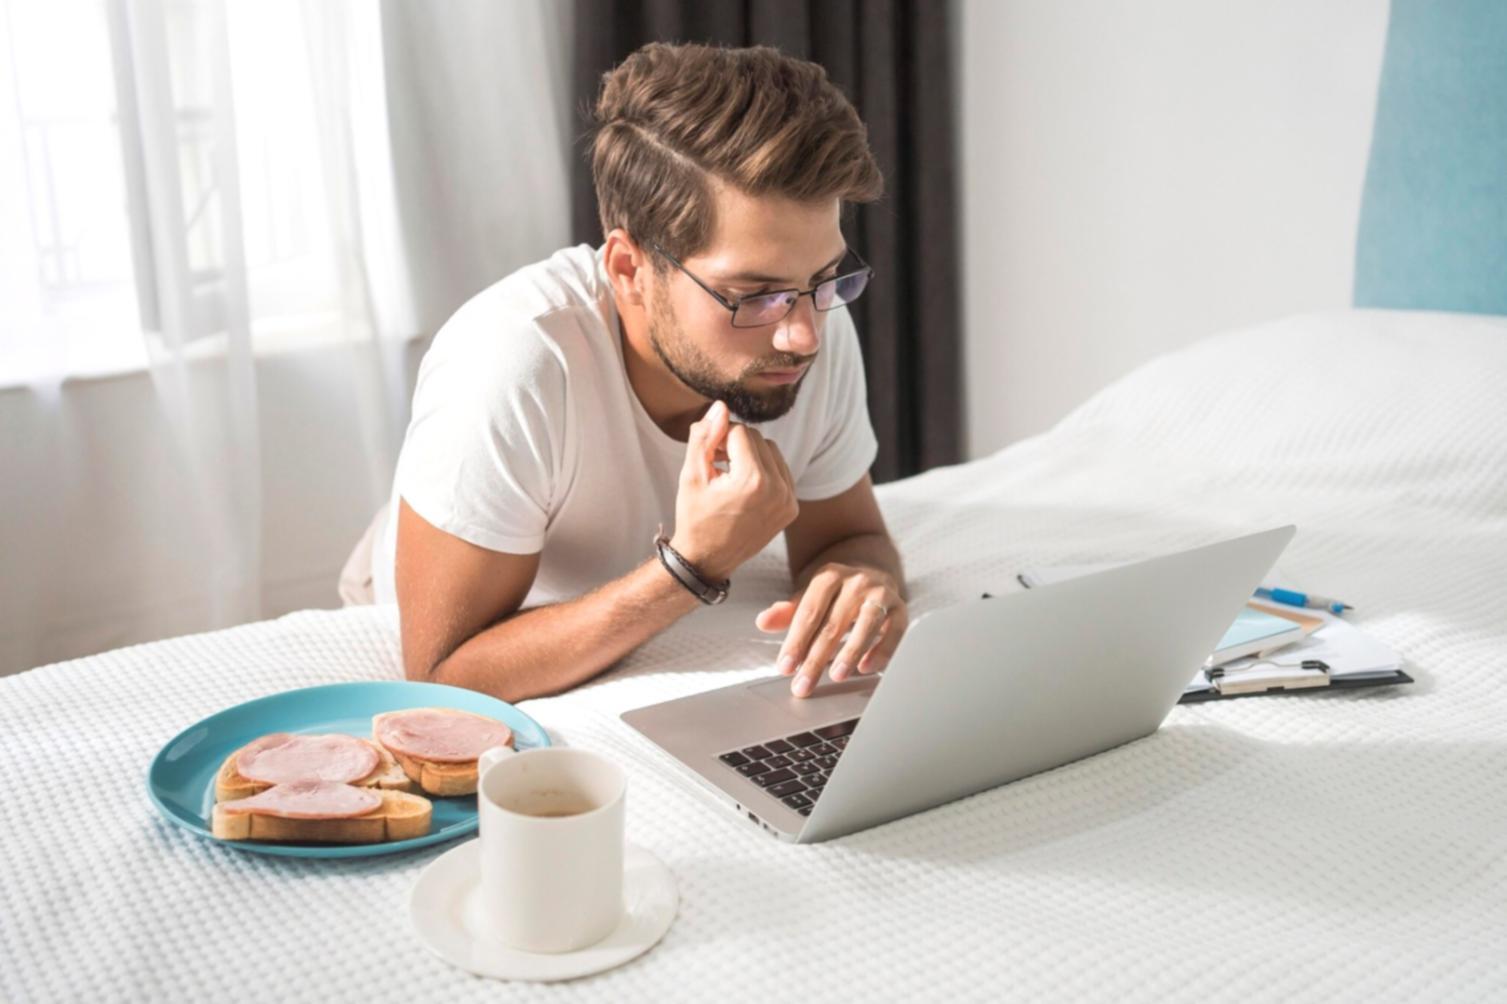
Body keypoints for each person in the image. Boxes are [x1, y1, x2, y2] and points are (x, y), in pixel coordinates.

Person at [369, 42, 908, 703]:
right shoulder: (512, 362)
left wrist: (862, 578)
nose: (800, 336)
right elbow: (442, 673)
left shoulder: (805, 323)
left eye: (826, 281)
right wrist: (688, 567)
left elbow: (847, 536)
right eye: (752, 294)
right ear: (627, 269)